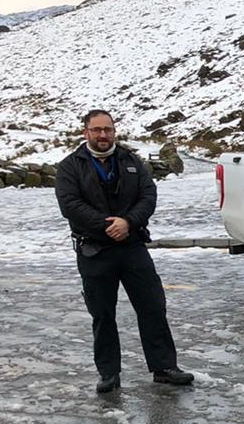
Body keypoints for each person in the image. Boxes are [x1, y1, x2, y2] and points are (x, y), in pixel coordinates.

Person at [54, 109, 193, 394]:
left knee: (153, 306)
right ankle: (109, 373)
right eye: (97, 130)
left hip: (132, 246)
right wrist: (107, 225)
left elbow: (148, 195)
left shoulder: (131, 161)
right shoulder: (70, 166)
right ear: (86, 133)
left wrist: (128, 222)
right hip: (94, 249)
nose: (103, 135)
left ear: (114, 131)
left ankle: (164, 367)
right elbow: (69, 204)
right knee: (102, 314)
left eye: (108, 129)